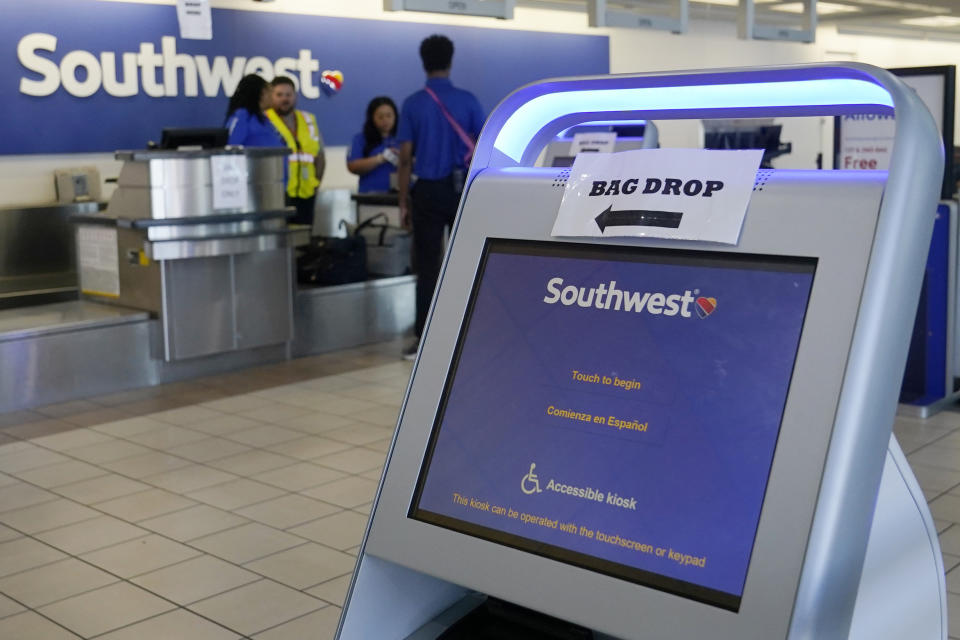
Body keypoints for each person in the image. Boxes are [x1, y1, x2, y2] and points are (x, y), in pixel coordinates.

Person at [397, 35, 485, 360]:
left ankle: (423, 339)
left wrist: (403, 200)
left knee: (428, 266)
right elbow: (484, 145)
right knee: (467, 262)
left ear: (424, 62)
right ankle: (468, 335)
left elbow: (405, 157)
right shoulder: (469, 101)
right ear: (451, 60)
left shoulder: (413, 104)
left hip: (428, 193)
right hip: (463, 190)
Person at [265, 76, 326, 226]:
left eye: (288, 95)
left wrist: (316, 184)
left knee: (304, 240)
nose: (284, 99)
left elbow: (320, 156)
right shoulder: (264, 121)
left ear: (295, 96)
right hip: (278, 195)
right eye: (279, 95)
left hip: (307, 193)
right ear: (271, 96)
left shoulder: (308, 119)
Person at [346, 97, 400, 193]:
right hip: (370, 194)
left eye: (389, 116)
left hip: (401, 194)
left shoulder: (404, 138)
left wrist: (405, 159)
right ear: (372, 118)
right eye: (380, 117)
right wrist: (380, 159)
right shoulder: (360, 139)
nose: (385, 120)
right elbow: (352, 166)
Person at [225, 74, 284, 148]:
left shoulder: (263, 118)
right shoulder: (242, 116)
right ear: (262, 93)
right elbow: (230, 148)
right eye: (270, 91)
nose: (272, 96)